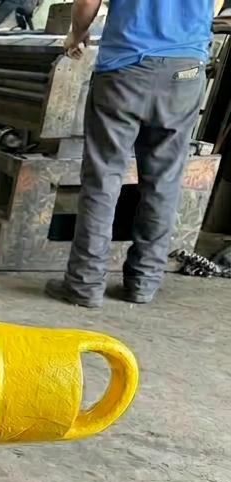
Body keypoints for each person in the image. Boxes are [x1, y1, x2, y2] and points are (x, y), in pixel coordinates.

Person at [45, 0, 213, 308]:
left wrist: (77, 32)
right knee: (163, 182)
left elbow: (86, 1)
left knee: (103, 178)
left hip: (125, 67)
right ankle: (143, 283)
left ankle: (84, 285)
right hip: (186, 69)